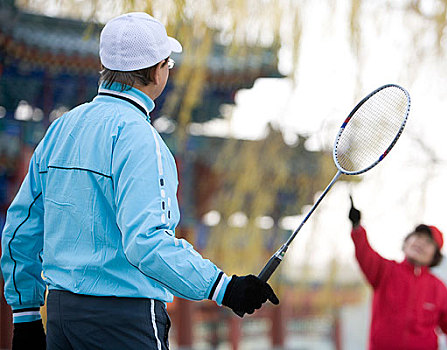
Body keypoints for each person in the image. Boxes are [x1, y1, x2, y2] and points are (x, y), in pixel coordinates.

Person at [1, 12, 278, 350]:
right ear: (157, 71)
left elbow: (21, 226)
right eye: (168, 64)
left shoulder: (60, 130)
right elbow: (146, 242)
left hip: (62, 317)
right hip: (124, 321)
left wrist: (26, 313)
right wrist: (224, 287)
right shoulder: (142, 140)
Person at [348, 196, 447, 350]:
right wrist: (357, 227)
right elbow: (365, 254)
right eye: (418, 237)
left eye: (429, 242)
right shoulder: (385, 271)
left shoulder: (439, 288)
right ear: (406, 242)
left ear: (435, 256)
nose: (421, 242)